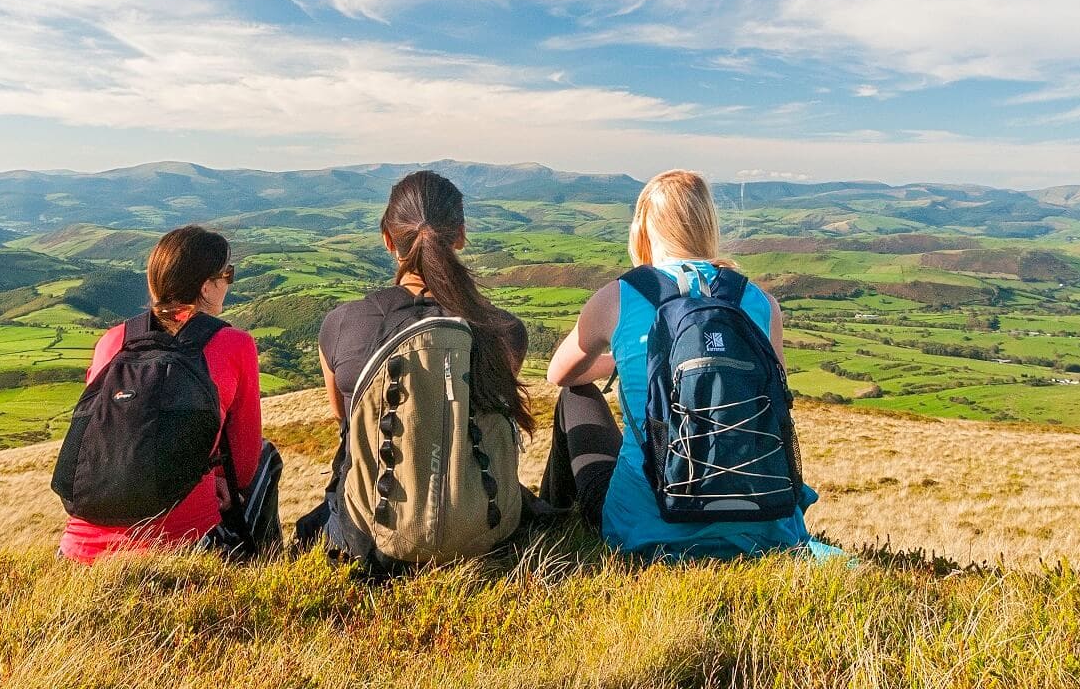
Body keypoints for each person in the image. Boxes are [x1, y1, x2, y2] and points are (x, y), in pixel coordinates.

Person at [542, 170, 841, 561]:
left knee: (573, 396)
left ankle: (549, 520)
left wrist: (625, 358)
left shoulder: (618, 297)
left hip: (645, 531)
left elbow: (559, 374)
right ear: (707, 223)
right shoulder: (760, 302)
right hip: (766, 524)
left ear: (644, 228)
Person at [298, 170, 535, 561]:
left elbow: (347, 423)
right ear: (460, 235)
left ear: (388, 240)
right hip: (486, 526)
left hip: (371, 538)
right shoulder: (505, 330)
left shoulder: (341, 325)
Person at [57, 225, 274, 563]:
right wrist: (212, 479)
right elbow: (244, 467)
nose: (229, 283)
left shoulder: (113, 341)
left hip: (78, 548)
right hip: (181, 544)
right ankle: (262, 563)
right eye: (226, 274)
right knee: (267, 457)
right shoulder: (234, 344)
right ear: (206, 285)